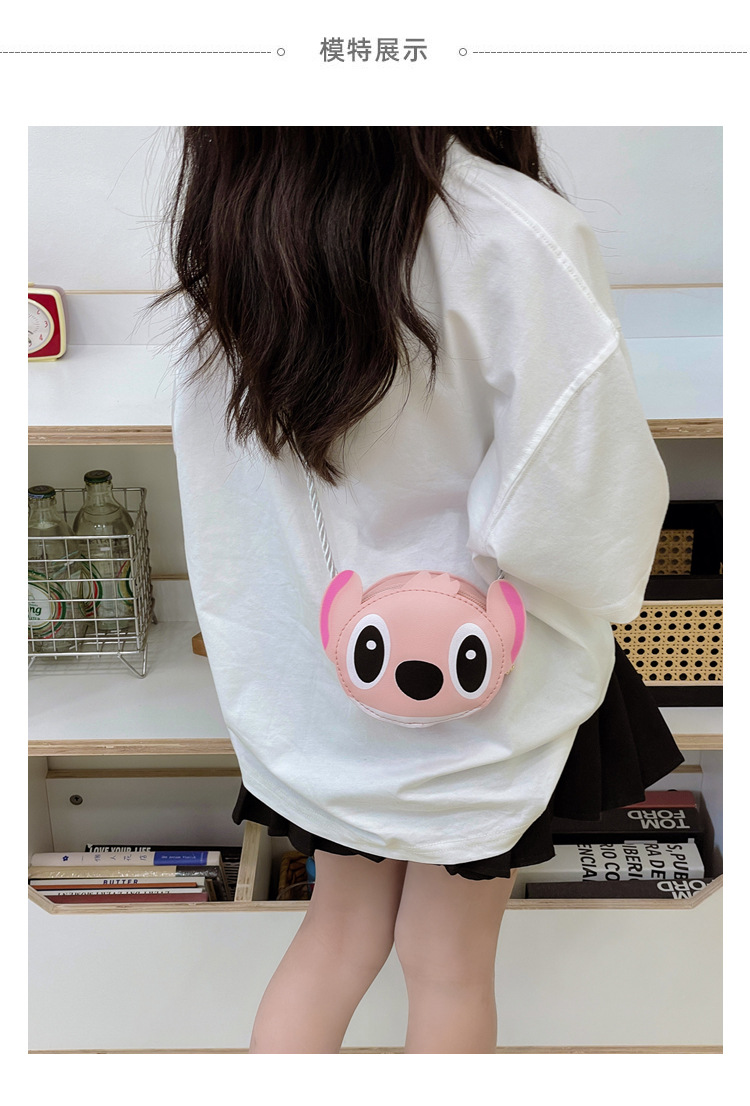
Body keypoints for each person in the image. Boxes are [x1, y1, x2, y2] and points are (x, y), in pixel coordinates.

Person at [159, 127, 683, 1053]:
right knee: (449, 965)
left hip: (321, 689)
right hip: (494, 685)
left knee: (335, 937)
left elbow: (231, 511)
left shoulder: (240, 241)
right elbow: (582, 517)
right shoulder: (514, 231)